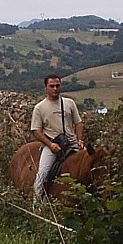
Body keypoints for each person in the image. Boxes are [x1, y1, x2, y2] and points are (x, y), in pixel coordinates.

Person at [30, 74, 86, 204]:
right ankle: (37, 203)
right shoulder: (39, 107)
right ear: (46, 88)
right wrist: (50, 145)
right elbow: (36, 131)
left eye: (57, 86)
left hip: (71, 143)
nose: (55, 89)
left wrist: (80, 139)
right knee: (43, 173)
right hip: (53, 145)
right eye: (52, 86)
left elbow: (79, 123)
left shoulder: (69, 103)